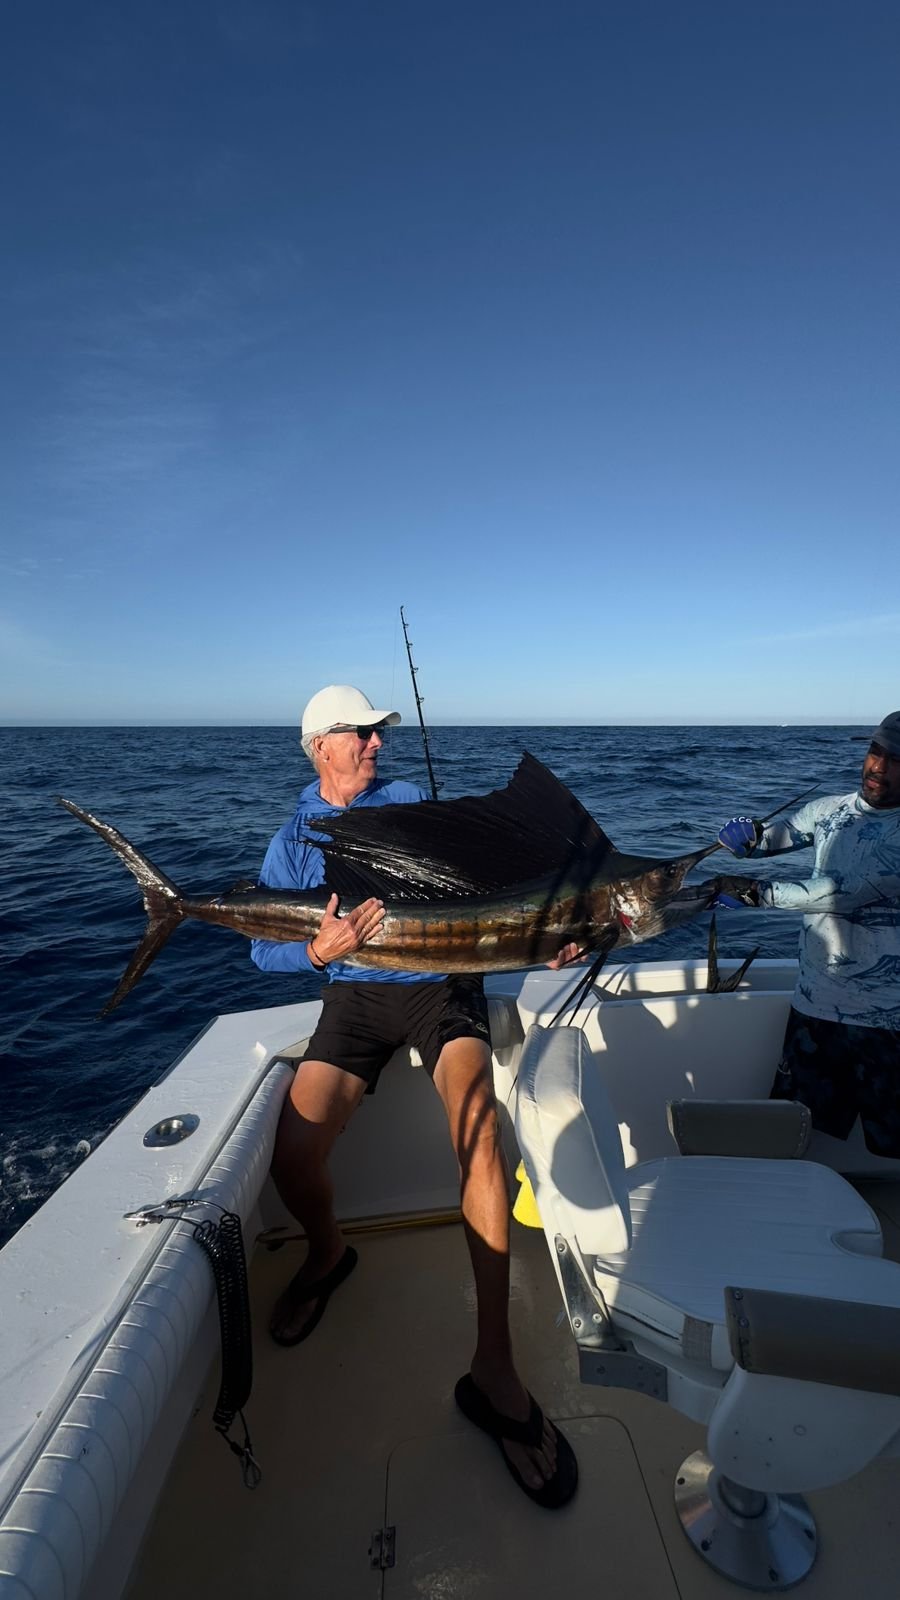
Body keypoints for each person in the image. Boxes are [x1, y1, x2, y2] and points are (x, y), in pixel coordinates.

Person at [251, 684, 578, 1509]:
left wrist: (544, 935)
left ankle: (495, 1366)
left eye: (379, 733)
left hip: (443, 986)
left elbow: (489, 900)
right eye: (362, 733)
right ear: (321, 745)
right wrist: (316, 953)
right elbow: (262, 951)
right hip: (357, 998)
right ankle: (329, 1254)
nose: (376, 744)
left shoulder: (412, 806)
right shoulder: (292, 838)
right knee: (295, 1152)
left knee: (480, 1139)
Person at [715, 712, 900, 1155]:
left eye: (896, 760)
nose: (878, 767)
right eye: (875, 752)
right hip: (815, 1007)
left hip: (887, 1022)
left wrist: (758, 894)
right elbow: (776, 838)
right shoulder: (828, 810)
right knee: (792, 1130)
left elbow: (842, 892)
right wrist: (747, 837)